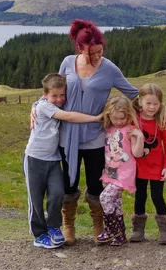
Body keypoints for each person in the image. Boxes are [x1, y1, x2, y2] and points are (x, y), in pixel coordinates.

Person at [32, 19, 139, 245]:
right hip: (66, 137)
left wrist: (151, 115)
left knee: (94, 184)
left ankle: (99, 225)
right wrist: (35, 108)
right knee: (68, 186)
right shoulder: (67, 63)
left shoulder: (110, 69)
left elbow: (134, 94)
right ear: (80, 48)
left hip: (95, 138)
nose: (99, 56)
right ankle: (68, 224)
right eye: (93, 53)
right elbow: (53, 92)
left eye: (101, 51)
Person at [24, 73, 102, 249]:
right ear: (45, 95)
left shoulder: (53, 103)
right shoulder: (44, 106)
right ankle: (39, 234)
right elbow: (69, 117)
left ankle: (53, 227)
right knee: (35, 199)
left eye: (62, 94)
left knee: (58, 193)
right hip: (35, 158)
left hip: (53, 160)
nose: (59, 99)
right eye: (54, 96)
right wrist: (95, 118)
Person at [96, 95, 144, 246]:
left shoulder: (131, 130)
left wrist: (140, 137)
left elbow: (137, 154)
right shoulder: (108, 128)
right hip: (110, 173)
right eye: (114, 118)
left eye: (121, 118)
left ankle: (111, 229)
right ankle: (121, 235)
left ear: (128, 115)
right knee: (116, 204)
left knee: (105, 198)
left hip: (124, 175)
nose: (118, 121)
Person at [130, 83, 166, 245]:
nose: (152, 107)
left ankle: (164, 227)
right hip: (138, 165)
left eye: (156, 103)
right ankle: (138, 229)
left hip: (157, 166)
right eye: (148, 103)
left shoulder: (162, 120)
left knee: (157, 196)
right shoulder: (133, 118)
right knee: (140, 196)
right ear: (140, 101)